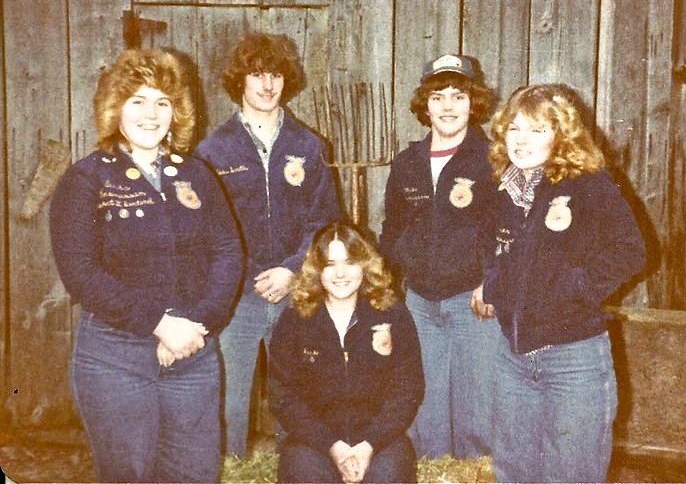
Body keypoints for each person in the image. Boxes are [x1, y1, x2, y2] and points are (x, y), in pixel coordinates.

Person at [49, 48, 243, 483]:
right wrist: (159, 324)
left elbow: (228, 251)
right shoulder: (86, 179)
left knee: (195, 475)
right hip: (116, 358)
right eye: (137, 101)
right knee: (129, 474)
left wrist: (197, 325)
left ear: (176, 112)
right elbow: (80, 273)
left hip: (192, 352)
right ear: (115, 108)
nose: (151, 114)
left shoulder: (197, 175)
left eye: (162, 102)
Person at [473, 83, 646, 482]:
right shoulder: (503, 189)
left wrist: (576, 289)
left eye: (537, 130)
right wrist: (494, 285)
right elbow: (490, 246)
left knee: (570, 474)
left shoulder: (589, 183)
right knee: (514, 473)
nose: (521, 140)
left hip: (573, 360)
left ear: (561, 134)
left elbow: (631, 251)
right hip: (513, 359)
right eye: (514, 128)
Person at [194, 31, 341, 457]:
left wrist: (292, 269)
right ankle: (231, 468)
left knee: (298, 391)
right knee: (229, 395)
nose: (267, 84)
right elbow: (207, 231)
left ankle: (297, 467)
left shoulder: (309, 146)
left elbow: (325, 221)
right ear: (239, 80)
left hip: (297, 293)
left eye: (275, 74)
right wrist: (252, 273)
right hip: (237, 296)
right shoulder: (212, 151)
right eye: (257, 74)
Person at [378, 54, 500, 459]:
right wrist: (384, 289)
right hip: (420, 303)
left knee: (477, 408)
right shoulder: (407, 163)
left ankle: (474, 475)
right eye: (438, 97)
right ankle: (432, 472)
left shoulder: (492, 160)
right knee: (424, 402)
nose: (448, 106)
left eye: (458, 96)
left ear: (473, 103)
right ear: (425, 105)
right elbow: (392, 231)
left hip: (473, 303)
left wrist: (492, 281)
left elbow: (508, 232)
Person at [269, 221, 424, 484]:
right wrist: (332, 446)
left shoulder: (392, 314)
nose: (340, 273)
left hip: (377, 440)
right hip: (316, 441)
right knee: (303, 473)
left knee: (391, 474)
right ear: (317, 268)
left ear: (365, 265)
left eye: (350, 262)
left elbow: (408, 390)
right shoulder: (295, 318)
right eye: (330, 264)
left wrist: (369, 445)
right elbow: (283, 395)